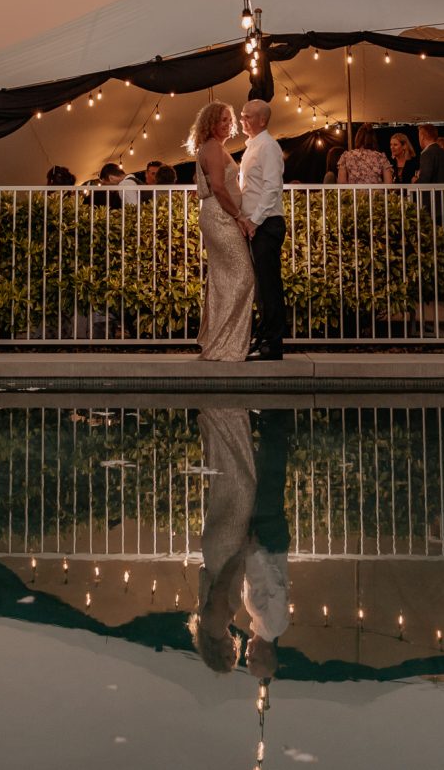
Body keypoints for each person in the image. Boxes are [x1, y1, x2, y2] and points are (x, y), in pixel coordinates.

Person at [189, 407, 256, 672]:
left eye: (228, 658)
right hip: (217, 548)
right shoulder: (210, 624)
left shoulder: (215, 625)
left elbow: (221, 587)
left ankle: (225, 417)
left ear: (216, 653)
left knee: (242, 486)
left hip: (226, 550)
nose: (234, 652)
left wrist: (241, 553)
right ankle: (218, 421)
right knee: (231, 485)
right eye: (234, 658)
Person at [187, 101, 255, 361]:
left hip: (218, 215)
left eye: (230, 120)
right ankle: (224, 343)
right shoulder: (213, 148)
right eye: (223, 120)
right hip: (220, 216)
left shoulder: (214, 147)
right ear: (211, 124)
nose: (229, 124)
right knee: (243, 276)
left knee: (223, 279)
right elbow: (217, 186)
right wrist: (238, 216)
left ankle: (219, 340)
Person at [243, 409, 291, 683]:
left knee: (262, 481)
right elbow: (274, 585)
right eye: (251, 659)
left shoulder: (260, 625)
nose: (246, 655)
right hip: (268, 542)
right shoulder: (273, 625)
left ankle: (270, 423)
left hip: (262, 543)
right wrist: (257, 549)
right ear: (264, 655)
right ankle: (275, 422)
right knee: (268, 483)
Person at [240, 99, 287, 362]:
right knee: (262, 287)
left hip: (267, 224)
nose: (242, 121)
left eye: (247, 117)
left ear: (262, 120)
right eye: (242, 116)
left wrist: (253, 221)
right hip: (258, 224)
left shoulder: (268, 147)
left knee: (269, 286)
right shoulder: (253, 146)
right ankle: (265, 337)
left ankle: (273, 344)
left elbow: (271, 188)